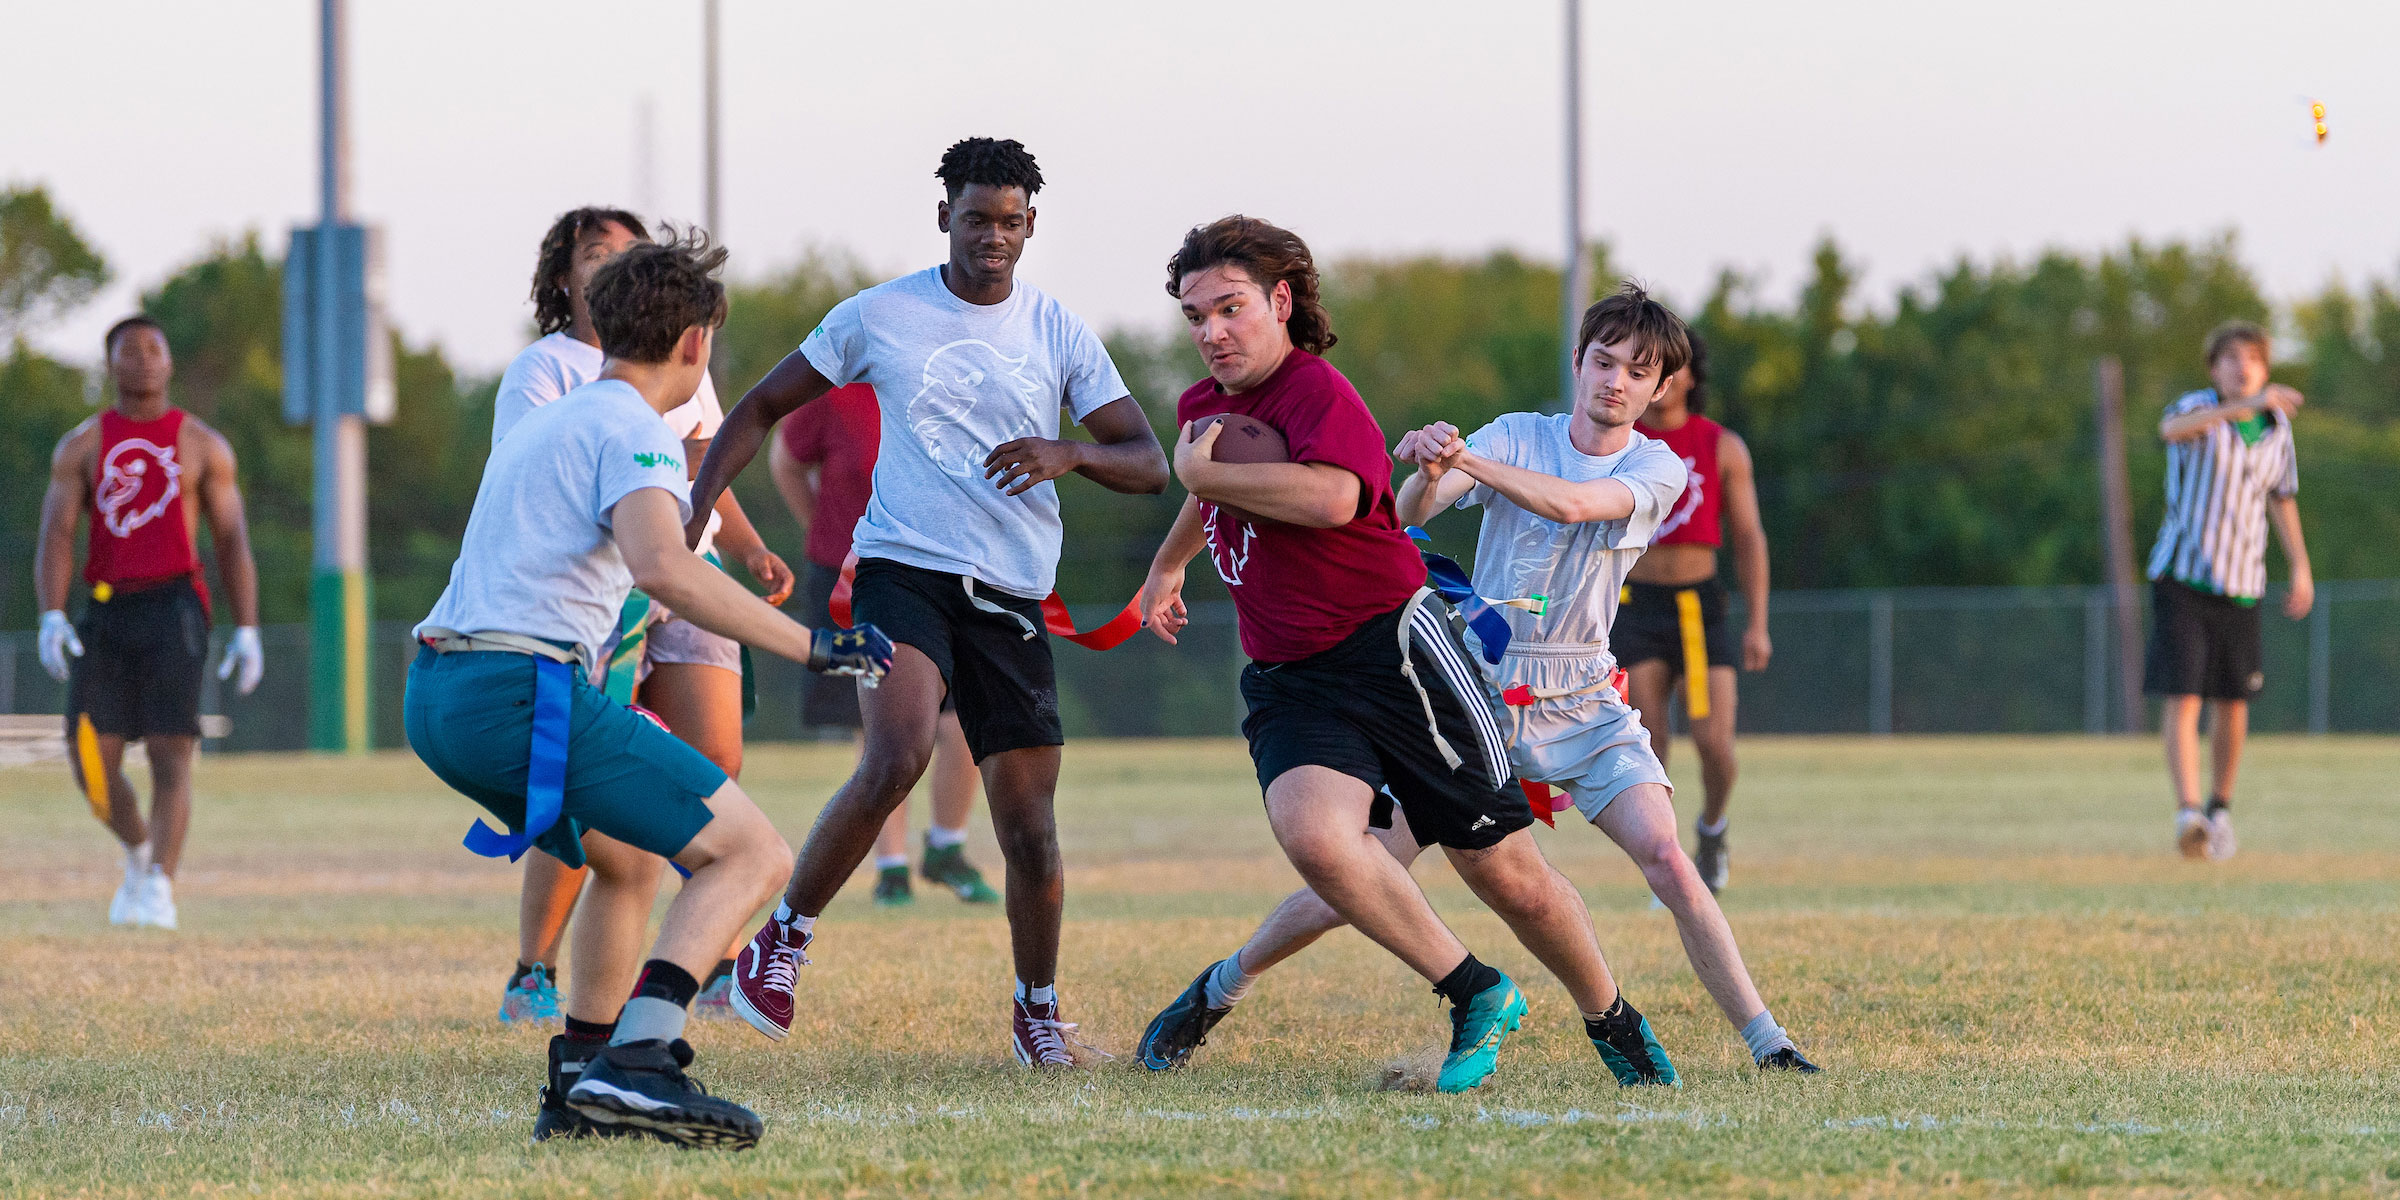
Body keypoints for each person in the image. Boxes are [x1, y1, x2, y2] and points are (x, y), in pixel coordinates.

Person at [1138, 283, 1820, 1080]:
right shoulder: (1516, 435)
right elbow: (1410, 510)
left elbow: (1571, 506)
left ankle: (1767, 1042)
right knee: (1352, 876)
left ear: (1662, 386)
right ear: (1578, 361)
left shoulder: (1657, 467)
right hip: (1475, 692)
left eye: (1638, 372)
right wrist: (1434, 462)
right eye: (1603, 362)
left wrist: (1471, 459)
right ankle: (1218, 990)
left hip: (1586, 700)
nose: (1616, 382)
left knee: (1669, 859)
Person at [404, 232, 892, 1147]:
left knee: (624, 863)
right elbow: (663, 567)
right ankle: (641, 1058)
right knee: (752, 855)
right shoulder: (635, 428)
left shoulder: (559, 413)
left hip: (439, 692)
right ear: (697, 343)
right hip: (518, 690)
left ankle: (582, 1078)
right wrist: (813, 646)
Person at [687, 138, 1169, 1064]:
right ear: (944, 215)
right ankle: (781, 942)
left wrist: (1068, 453)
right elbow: (756, 409)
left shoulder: (1058, 330)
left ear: (1033, 226)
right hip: (898, 573)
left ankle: (1037, 1012)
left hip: (1012, 592)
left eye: (1011, 221)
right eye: (978, 217)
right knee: (898, 752)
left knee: (1028, 828)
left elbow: (1148, 463)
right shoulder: (879, 315)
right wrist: (695, 507)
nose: (994, 236)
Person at [490, 207, 794, 1024]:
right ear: (565, 276)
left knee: (687, 791)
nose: (612, 266)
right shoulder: (572, 389)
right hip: (592, 606)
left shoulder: (646, 401)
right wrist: (816, 647)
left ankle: (656, 1004)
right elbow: (644, 548)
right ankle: (556, 986)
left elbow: (704, 478)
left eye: (628, 255)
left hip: (633, 595)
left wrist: (750, 547)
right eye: (596, 255)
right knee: (610, 803)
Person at [35, 315, 264, 931]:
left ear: (168, 362)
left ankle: (160, 884)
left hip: (174, 608)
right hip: (107, 608)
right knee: (90, 759)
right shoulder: (81, 445)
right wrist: (51, 615)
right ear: (109, 364)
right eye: (127, 351)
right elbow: (57, 534)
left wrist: (248, 627)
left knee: (171, 752)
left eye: (153, 348)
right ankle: (138, 852)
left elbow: (232, 539)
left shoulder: (201, 443)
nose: (140, 359)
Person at [771, 383, 999, 906]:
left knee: (960, 718)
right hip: (851, 575)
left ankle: (946, 847)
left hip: (939, 568)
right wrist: (824, 532)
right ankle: (891, 868)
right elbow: (785, 458)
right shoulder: (839, 392)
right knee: (879, 721)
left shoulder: (950, 384)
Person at [2145, 320, 2312, 861]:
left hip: (2242, 581)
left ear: (2265, 369)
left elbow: (2281, 498)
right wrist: (2238, 407)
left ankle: (2219, 809)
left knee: (2234, 700)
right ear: (2214, 367)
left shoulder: (2276, 429)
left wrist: (2301, 567)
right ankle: (2188, 811)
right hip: (2184, 575)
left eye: (2254, 359)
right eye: (2231, 358)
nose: (2243, 367)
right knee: (2185, 692)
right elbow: (2171, 431)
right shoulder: (2197, 409)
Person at [1612, 334, 1771, 892]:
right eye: (1648, 368)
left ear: (1690, 377)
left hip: (1698, 608)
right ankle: (1669, 860)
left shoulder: (1721, 445)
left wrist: (1757, 623)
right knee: (1650, 742)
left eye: (1670, 368)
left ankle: (1712, 828)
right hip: (1636, 605)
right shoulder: (1622, 441)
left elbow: (1749, 536)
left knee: (1713, 741)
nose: (1662, 380)